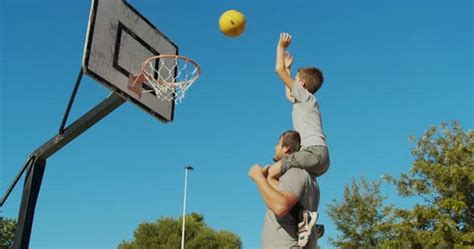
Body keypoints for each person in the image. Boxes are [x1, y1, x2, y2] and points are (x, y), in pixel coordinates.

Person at [268, 32, 331, 246]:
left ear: (302, 85)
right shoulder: (302, 101)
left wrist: (281, 47)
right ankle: (308, 222)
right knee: (296, 183)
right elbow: (288, 93)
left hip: (313, 152)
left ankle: (303, 218)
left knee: (272, 172)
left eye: (295, 80)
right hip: (318, 157)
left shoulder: (307, 98)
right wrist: (288, 69)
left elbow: (277, 72)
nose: (292, 83)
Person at [248, 130, 319, 249]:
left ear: (286, 148)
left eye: (277, 144)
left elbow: (280, 206)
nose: (275, 147)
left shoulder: (294, 173)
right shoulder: (298, 176)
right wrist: (267, 178)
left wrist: (257, 176)